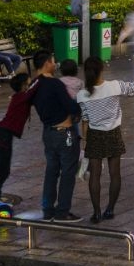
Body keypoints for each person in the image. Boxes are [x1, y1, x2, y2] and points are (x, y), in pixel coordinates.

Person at [78, 56, 134, 224]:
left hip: (94, 135)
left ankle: (96, 212)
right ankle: (110, 209)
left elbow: (84, 119)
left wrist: (84, 141)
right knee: (115, 173)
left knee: (95, 176)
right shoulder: (115, 86)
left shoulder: (82, 95)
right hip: (113, 133)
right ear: (102, 70)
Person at [31, 50, 82, 223]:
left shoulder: (34, 84)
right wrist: (77, 111)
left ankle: (48, 209)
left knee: (51, 171)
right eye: (53, 61)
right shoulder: (55, 84)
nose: (55, 64)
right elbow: (71, 106)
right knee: (68, 172)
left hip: (48, 132)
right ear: (46, 63)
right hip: (65, 132)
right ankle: (62, 212)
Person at [0, 73, 38, 213]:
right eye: (28, 82)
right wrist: (42, 78)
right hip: (3, 135)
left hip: (3, 135)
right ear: (23, 85)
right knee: (0, 169)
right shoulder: (21, 97)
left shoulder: (20, 97)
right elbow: (35, 89)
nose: (30, 83)